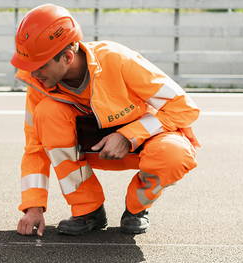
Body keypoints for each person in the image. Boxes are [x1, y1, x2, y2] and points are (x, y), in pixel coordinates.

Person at [11, 4, 200, 236]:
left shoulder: (118, 60)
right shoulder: (40, 85)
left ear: (68, 56)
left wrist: (128, 136)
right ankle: (88, 210)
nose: (33, 74)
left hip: (145, 141)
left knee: (174, 154)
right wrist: (33, 207)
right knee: (47, 112)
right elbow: (35, 147)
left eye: (39, 66)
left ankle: (136, 209)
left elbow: (184, 107)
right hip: (93, 147)